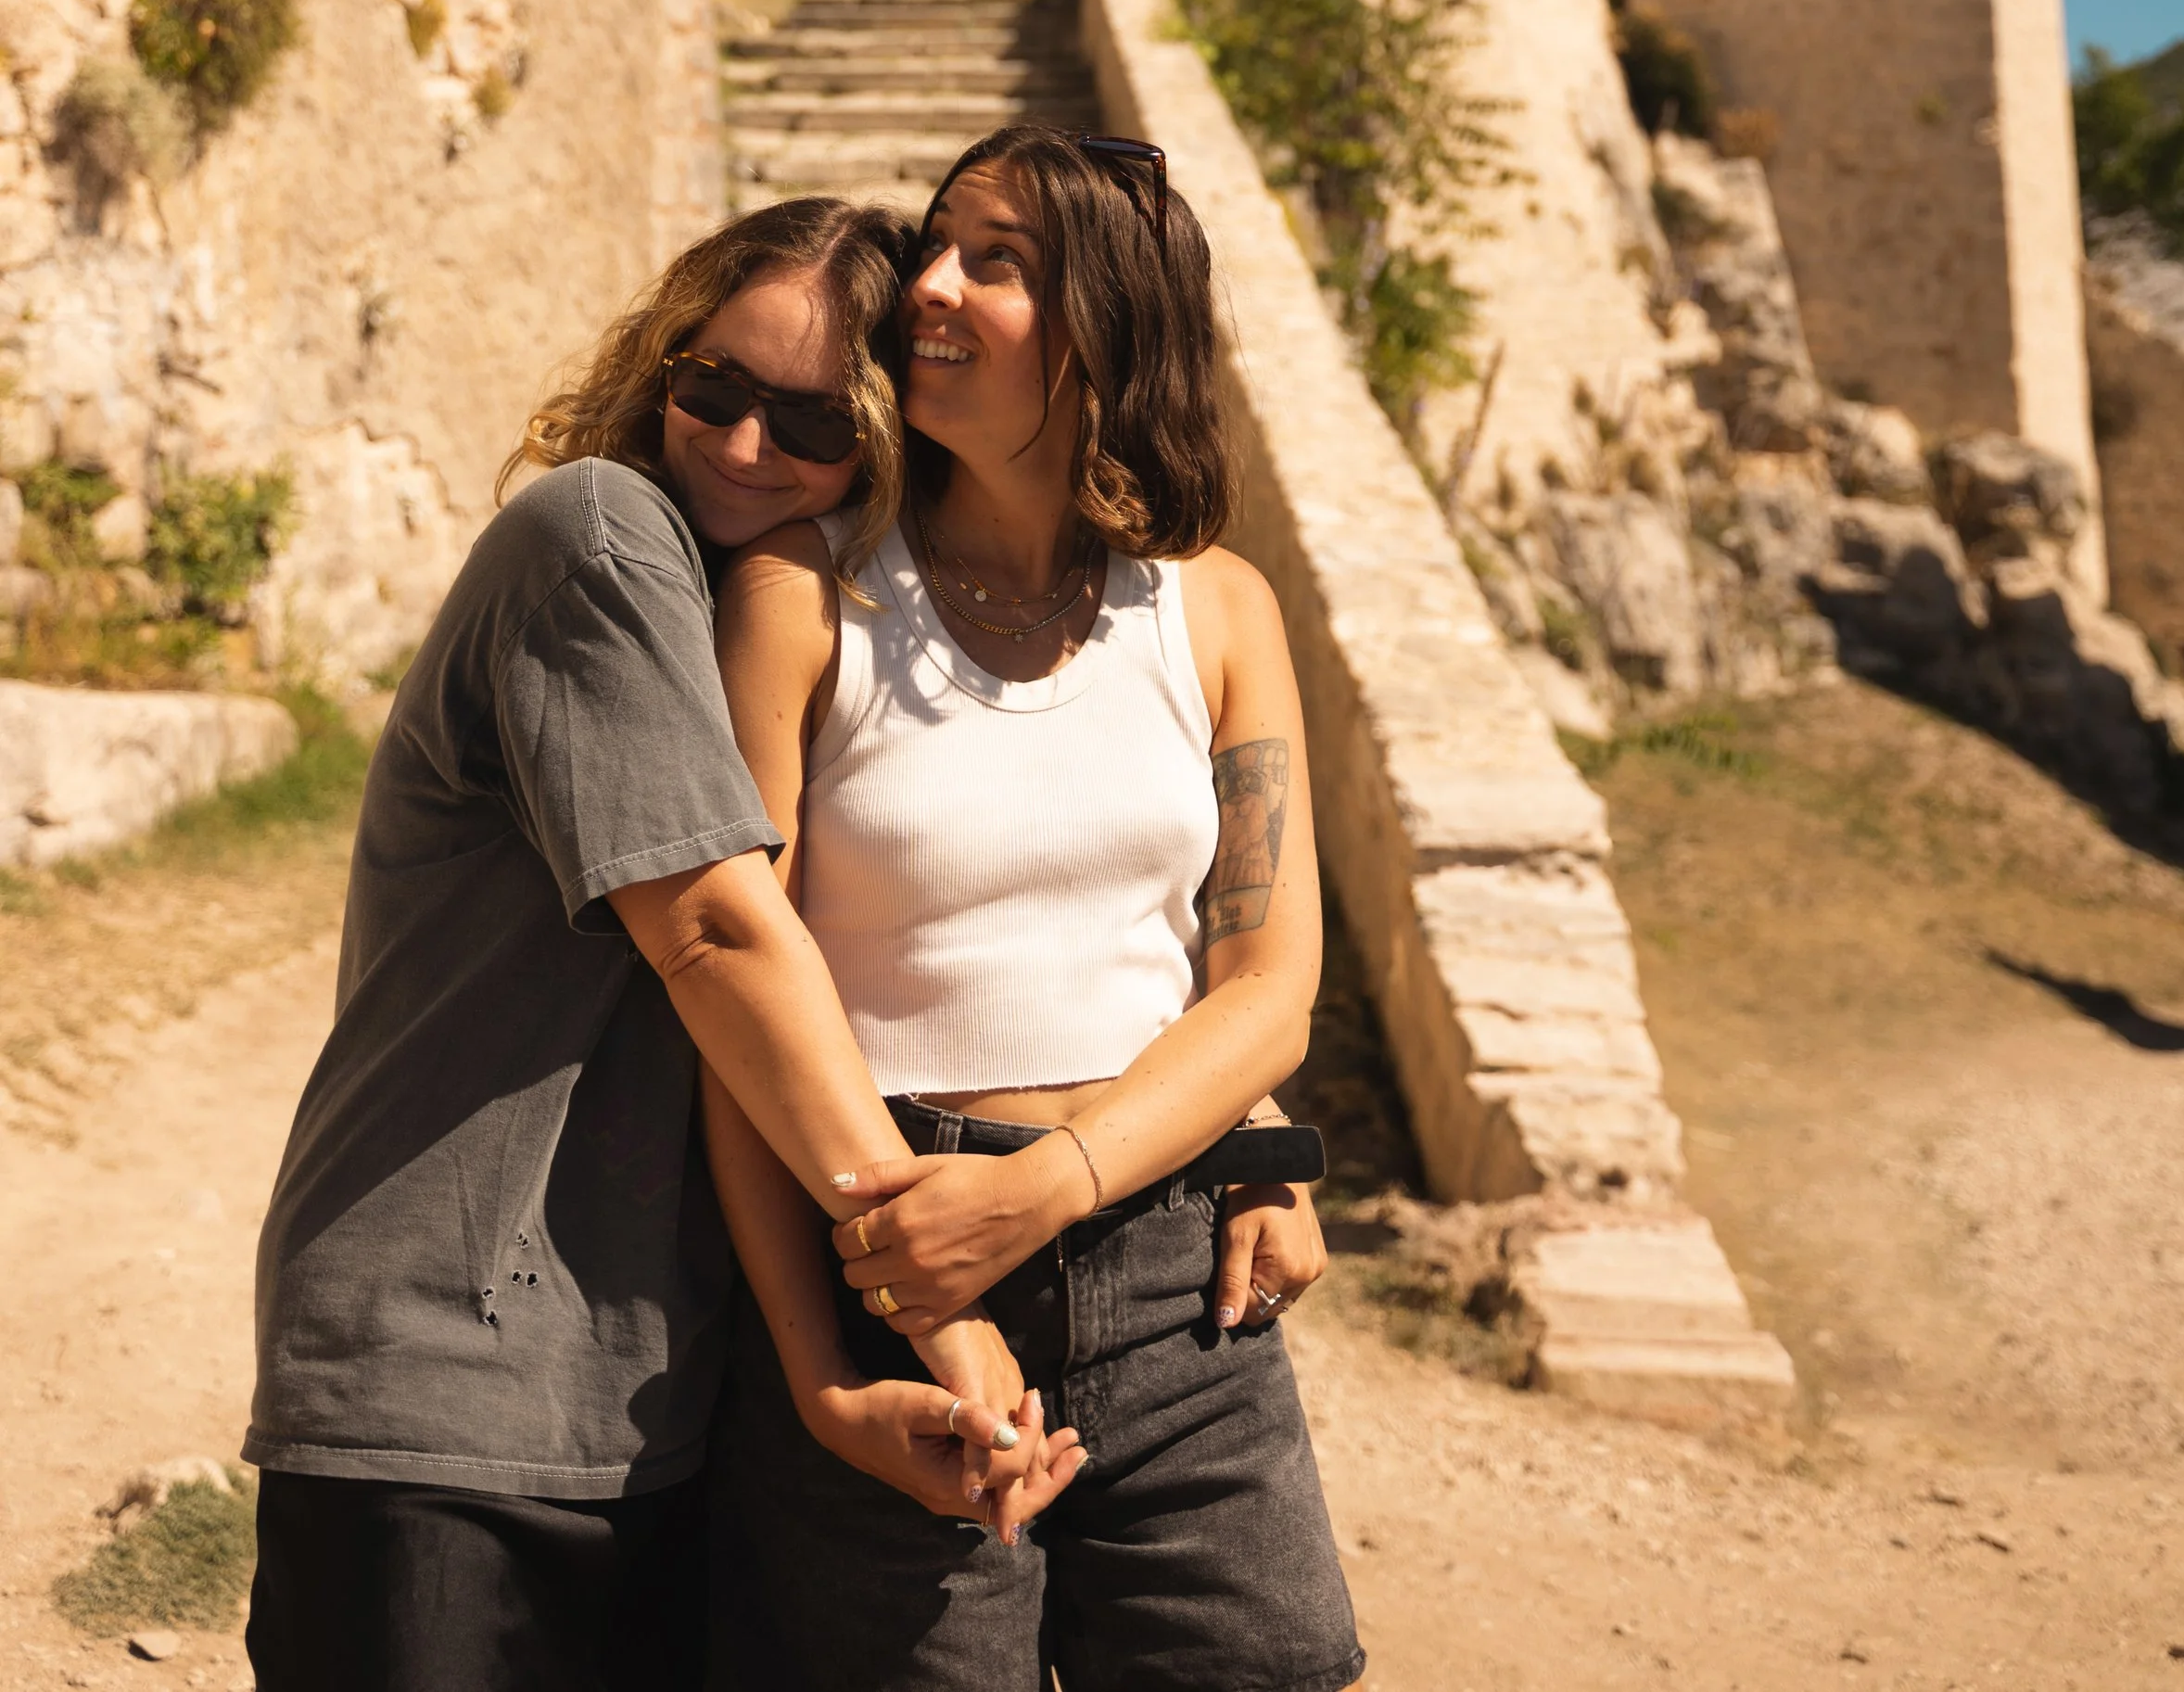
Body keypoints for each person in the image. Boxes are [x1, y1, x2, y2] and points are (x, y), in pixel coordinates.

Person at [242, 197, 1077, 1692]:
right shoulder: (601, 536)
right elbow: (715, 927)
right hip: (454, 1375)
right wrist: (928, 1305)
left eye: (814, 423)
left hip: (650, 1398)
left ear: (887, 443)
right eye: (717, 388)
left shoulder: (813, 637)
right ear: (662, 366)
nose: (748, 448)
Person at [705, 126, 1365, 1692]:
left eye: (995, 262)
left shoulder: (1215, 606)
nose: (927, 284)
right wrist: (816, 1371)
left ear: (1108, 328)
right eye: (937, 244)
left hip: (1176, 1269)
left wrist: (1080, 1181)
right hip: (894, 1254)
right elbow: (734, 992)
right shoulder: (802, 595)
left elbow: (1264, 984)